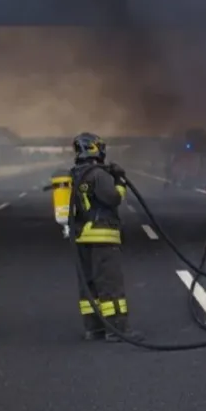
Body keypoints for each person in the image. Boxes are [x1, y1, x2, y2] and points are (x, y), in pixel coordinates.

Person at [68, 132, 141, 342]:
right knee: (110, 284)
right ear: (94, 148)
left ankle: (94, 328)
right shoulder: (99, 175)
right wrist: (119, 180)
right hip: (102, 236)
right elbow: (113, 198)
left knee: (89, 284)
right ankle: (118, 329)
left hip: (81, 237)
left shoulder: (75, 174)